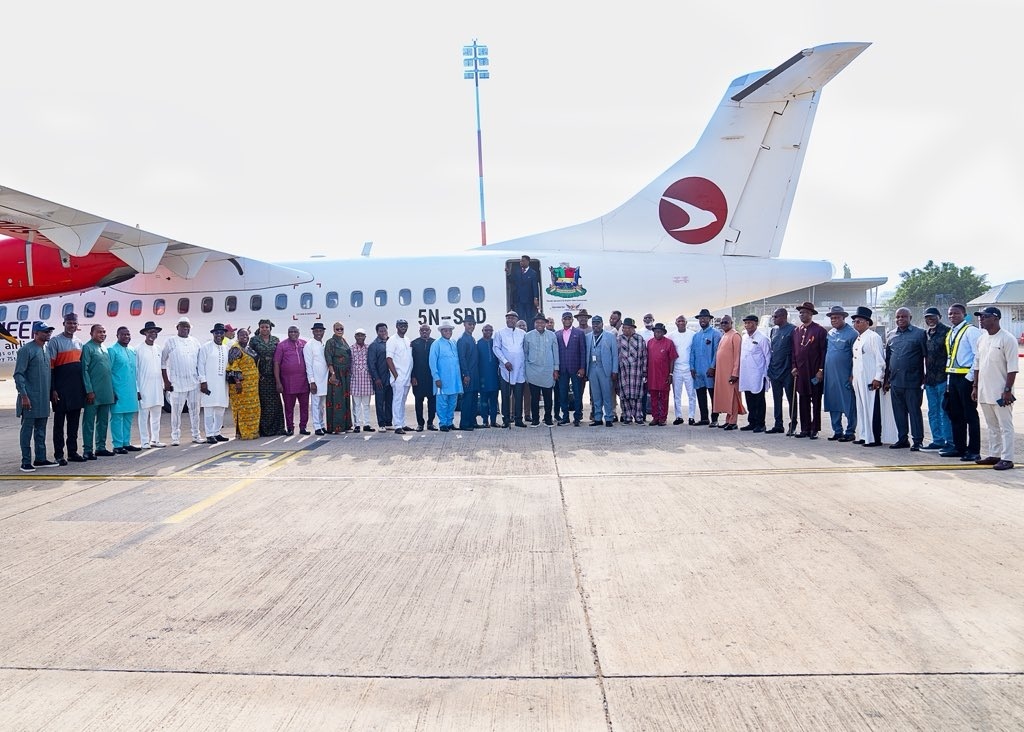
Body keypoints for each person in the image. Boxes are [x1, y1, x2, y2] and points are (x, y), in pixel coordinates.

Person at [971, 307, 1017, 470]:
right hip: (984, 390)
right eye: (980, 317)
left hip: (1001, 392)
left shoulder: (1007, 338)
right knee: (992, 426)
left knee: (1005, 426)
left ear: (995, 318)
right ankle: (994, 454)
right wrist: (975, 386)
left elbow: (1012, 368)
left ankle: (1007, 458)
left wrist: (1007, 390)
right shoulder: (981, 339)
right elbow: (977, 364)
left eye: (984, 317)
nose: (980, 319)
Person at [940, 303, 982, 461]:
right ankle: (959, 447)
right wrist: (950, 383)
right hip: (953, 377)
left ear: (964, 315)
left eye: (956, 313)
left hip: (965, 378)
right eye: (950, 314)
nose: (952, 316)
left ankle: (974, 450)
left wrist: (969, 379)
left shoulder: (971, 331)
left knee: (970, 415)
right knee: (955, 414)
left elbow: (977, 357)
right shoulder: (951, 331)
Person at [850, 307, 896, 447]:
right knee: (861, 407)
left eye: (859, 321)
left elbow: (880, 360)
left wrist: (878, 378)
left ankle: (875, 438)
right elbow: (855, 359)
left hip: (871, 379)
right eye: (855, 321)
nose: (856, 324)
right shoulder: (858, 338)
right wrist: (853, 375)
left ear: (867, 323)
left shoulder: (873, 337)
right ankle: (864, 435)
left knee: (872, 408)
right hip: (859, 379)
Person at [15, 321, 57, 472]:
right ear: (36, 333)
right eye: (45, 331)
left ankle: (40, 459)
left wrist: (52, 391)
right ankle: (25, 461)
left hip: (43, 399)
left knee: (41, 430)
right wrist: (23, 396)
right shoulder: (26, 350)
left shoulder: (46, 349)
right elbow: (19, 374)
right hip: (30, 398)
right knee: (27, 430)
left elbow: (48, 374)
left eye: (49, 331)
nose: (48, 334)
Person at [884, 307, 927, 451]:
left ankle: (917, 441)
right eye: (898, 317)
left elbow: (926, 357)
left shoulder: (920, 334)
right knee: (899, 412)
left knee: (914, 411)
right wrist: (887, 380)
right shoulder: (890, 335)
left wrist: (925, 377)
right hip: (896, 381)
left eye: (904, 316)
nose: (900, 319)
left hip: (913, 381)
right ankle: (902, 439)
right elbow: (888, 358)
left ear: (910, 318)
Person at [47, 312, 87, 465]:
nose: (72, 326)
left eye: (75, 323)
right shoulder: (55, 342)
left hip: (76, 389)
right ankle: (59, 454)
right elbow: (51, 368)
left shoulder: (79, 342)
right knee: (59, 425)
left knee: (73, 423)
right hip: (61, 389)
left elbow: (80, 367)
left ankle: (72, 452)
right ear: (64, 323)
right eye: (69, 323)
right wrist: (53, 389)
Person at [791, 302, 827, 439]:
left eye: (805, 312)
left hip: (814, 372)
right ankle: (804, 428)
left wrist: (821, 370)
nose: (802, 315)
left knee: (816, 401)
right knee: (803, 400)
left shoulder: (819, 330)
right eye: (800, 312)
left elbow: (824, 352)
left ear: (811, 314)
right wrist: (793, 366)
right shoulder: (796, 331)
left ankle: (814, 429)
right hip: (801, 372)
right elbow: (793, 351)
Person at [823, 306, 858, 441]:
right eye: (832, 318)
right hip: (830, 375)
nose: (834, 320)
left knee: (848, 403)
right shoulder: (830, 333)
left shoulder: (852, 334)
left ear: (844, 318)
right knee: (833, 403)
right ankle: (837, 431)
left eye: (837, 317)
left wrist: (852, 374)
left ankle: (850, 432)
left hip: (845, 375)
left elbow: (856, 356)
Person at [921, 306, 952, 451]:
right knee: (932, 412)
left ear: (939, 316)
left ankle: (949, 442)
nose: (930, 319)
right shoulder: (926, 334)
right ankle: (937, 440)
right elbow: (925, 356)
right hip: (930, 380)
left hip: (943, 378)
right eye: (927, 317)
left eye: (933, 316)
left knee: (944, 411)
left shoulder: (948, 332)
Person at [82, 324, 115, 458]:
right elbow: (84, 370)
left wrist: (112, 390)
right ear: (92, 333)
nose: (102, 334)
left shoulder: (104, 348)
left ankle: (101, 447)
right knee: (89, 422)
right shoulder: (88, 347)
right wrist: (89, 390)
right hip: (93, 392)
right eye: (99, 332)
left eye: (104, 332)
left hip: (106, 391)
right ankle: (87, 450)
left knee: (103, 421)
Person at [249, 319, 285, 437]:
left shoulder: (275, 340)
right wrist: (257, 374)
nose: (264, 329)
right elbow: (250, 358)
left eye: (267, 327)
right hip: (261, 376)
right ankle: (264, 430)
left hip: (274, 375)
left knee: (276, 403)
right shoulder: (254, 340)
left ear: (270, 328)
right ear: (259, 328)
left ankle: (278, 429)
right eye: (262, 327)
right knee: (263, 403)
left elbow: (279, 357)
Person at [108, 326, 141, 453]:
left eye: (128, 334)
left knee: (128, 416)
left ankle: (126, 442)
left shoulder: (132, 350)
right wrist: (111, 390)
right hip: (117, 389)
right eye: (123, 334)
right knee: (117, 417)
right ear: (117, 335)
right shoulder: (112, 350)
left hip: (130, 389)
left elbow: (135, 372)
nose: (126, 337)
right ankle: (117, 445)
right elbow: (108, 371)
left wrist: (137, 390)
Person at [524, 313, 559, 427]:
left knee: (548, 397)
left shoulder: (552, 335)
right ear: (534, 323)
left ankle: (548, 418)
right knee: (534, 397)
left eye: (542, 322)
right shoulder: (528, 336)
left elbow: (555, 352)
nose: (540, 324)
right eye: (537, 322)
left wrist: (556, 369)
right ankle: (535, 419)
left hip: (547, 370)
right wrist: (525, 370)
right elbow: (525, 353)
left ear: (545, 324)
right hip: (533, 370)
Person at [199, 323, 232, 444]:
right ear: (213, 334)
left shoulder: (226, 348)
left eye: (221, 333)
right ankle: (209, 434)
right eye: (217, 333)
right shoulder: (206, 347)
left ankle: (217, 432)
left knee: (220, 409)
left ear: (224, 334)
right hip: (209, 383)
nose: (219, 335)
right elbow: (200, 365)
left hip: (222, 384)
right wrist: (203, 381)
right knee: (209, 409)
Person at [493, 310, 527, 428]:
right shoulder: (499, 333)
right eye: (509, 318)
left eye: (513, 318)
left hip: (519, 370)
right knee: (505, 396)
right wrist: (505, 361)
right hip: (505, 369)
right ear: (506, 319)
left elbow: (525, 349)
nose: (511, 320)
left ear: (516, 320)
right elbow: (496, 348)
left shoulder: (522, 333)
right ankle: (506, 419)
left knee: (518, 396)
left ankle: (518, 419)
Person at [274, 325, 310, 436]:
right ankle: (290, 428)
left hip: (303, 382)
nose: (293, 334)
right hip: (288, 382)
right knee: (289, 407)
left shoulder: (304, 344)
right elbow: (276, 364)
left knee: (304, 406)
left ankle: (303, 427)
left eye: (295, 332)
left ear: (299, 333)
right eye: (291, 332)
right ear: (288, 333)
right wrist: (278, 382)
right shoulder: (282, 345)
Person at [136, 321, 166, 448]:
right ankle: (144, 441)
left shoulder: (159, 348)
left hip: (157, 387)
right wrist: (137, 389)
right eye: (150, 332)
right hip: (144, 387)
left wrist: (164, 385)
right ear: (145, 333)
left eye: (155, 332)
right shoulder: (138, 349)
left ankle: (155, 439)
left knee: (156, 415)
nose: (152, 334)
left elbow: (163, 367)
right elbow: (136, 370)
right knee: (143, 415)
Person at [429, 318, 463, 431]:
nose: (448, 332)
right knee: (442, 403)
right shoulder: (436, 344)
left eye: (449, 330)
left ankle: (449, 422)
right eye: (445, 331)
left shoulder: (454, 343)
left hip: (454, 380)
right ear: (441, 331)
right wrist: (436, 378)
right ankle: (443, 423)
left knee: (453, 403)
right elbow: (432, 363)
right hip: (442, 380)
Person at [739, 314, 771, 432]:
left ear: (756, 324)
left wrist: (767, 374)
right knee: (749, 398)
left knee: (759, 399)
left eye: (750, 323)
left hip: (758, 374)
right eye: (746, 323)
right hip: (747, 373)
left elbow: (768, 357)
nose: (748, 325)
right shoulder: (744, 337)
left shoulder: (762, 338)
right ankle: (751, 422)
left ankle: (760, 423)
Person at [766, 308, 796, 435]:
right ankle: (778, 424)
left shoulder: (793, 330)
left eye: (776, 316)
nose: (774, 318)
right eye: (773, 316)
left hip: (788, 370)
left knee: (791, 399)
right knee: (777, 398)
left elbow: (795, 351)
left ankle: (793, 424)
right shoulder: (774, 330)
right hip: (775, 370)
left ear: (784, 317)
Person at [227, 328, 261, 440]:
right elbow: (232, 366)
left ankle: (252, 432)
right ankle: (241, 433)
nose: (244, 337)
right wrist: (237, 382)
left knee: (253, 409)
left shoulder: (248, 348)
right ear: (238, 336)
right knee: (241, 409)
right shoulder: (235, 349)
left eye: (246, 335)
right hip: (241, 386)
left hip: (252, 387)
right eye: (242, 335)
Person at [712, 315, 744, 430]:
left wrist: (735, 373)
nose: (724, 324)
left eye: (726, 322)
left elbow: (737, 356)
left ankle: (733, 422)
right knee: (726, 397)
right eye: (722, 323)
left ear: (731, 323)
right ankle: (728, 420)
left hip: (731, 373)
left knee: (733, 397)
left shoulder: (735, 336)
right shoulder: (725, 335)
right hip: (722, 372)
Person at [586, 315, 619, 426]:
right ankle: (598, 418)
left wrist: (614, 370)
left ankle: (609, 417)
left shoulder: (610, 337)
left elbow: (615, 355)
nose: (596, 325)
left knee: (607, 394)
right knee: (596, 395)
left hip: (605, 369)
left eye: (598, 323)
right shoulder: (588, 337)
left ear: (602, 324)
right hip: (592, 368)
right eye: (594, 323)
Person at [555, 311, 587, 426]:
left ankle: (577, 417)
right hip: (562, 369)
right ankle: (565, 417)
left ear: (572, 320)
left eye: (569, 318)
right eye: (565, 319)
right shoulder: (557, 334)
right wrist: (556, 369)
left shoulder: (579, 333)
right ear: (562, 320)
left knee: (577, 394)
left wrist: (582, 368)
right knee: (562, 394)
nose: (567, 320)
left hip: (576, 368)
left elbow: (583, 351)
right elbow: (555, 353)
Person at [690, 308, 721, 426]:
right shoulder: (696, 336)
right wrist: (692, 367)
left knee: (713, 395)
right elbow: (692, 352)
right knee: (700, 395)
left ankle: (714, 419)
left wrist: (713, 367)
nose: (702, 320)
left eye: (705, 318)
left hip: (709, 370)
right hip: (698, 371)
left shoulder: (715, 334)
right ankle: (704, 418)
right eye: (700, 318)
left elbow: (717, 352)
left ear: (709, 319)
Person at [617, 317, 648, 424]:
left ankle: (638, 417)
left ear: (632, 328)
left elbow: (644, 356)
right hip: (623, 372)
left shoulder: (640, 339)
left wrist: (644, 371)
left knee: (637, 396)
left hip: (637, 372)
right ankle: (627, 417)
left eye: (627, 328)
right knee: (625, 395)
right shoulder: (619, 339)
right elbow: (616, 355)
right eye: (624, 328)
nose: (625, 330)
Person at [323, 322, 352, 434]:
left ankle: (346, 425)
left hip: (345, 374)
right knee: (337, 400)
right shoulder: (330, 342)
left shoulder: (344, 341)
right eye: (337, 329)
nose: (339, 330)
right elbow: (328, 358)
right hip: (337, 372)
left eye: (341, 328)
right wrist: (333, 374)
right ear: (333, 330)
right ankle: (336, 427)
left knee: (345, 399)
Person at [646, 322, 677, 426]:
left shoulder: (669, 343)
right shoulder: (649, 343)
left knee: (664, 397)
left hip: (664, 374)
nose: (657, 333)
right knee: (653, 397)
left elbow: (672, 359)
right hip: (652, 374)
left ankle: (663, 418)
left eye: (660, 332)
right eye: (656, 331)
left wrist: (671, 374)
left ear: (663, 333)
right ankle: (655, 417)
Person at [386, 318, 414, 435]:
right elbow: (389, 359)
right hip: (398, 377)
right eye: (401, 325)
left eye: (405, 325)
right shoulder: (392, 340)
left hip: (407, 376)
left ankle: (402, 423)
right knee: (397, 400)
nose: (403, 327)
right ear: (396, 326)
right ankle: (397, 425)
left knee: (403, 401)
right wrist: (396, 376)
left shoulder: (407, 340)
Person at [669, 315, 696, 425]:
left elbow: (694, 352)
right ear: (676, 323)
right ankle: (678, 416)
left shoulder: (692, 335)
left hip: (689, 369)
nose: (681, 323)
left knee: (691, 395)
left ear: (686, 322)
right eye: (679, 321)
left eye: (683, 321)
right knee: (677, 395)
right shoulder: (671, 336)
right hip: (676, 370)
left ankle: (691, 416)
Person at [410, 324, 437, 431]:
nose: (424, 332)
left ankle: (430, 423)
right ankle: (420, 424)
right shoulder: (414, 343)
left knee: (432, 402)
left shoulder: (435, 343)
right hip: (418, 378)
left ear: (430, 331)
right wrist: (413, 376)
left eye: (426, 330)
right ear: (419, 331)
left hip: (431, 378)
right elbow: (411, 362)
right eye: (422, 330)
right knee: (418, 402)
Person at [304, 323, 330, 436]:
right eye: (317, 331)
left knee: (322, 405)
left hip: (325, 379)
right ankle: (317, 426)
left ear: (323, 332)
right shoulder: (309, 345)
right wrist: (312, 381)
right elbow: (308, 365)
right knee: (315, 404)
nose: (319, 333)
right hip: (315, 380)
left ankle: (322, 424)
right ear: (313, 332)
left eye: (321, 331)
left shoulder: (323, 343)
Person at [367, 322, 393, 431]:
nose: (383, 333)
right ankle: (381, 423)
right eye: (381, 331)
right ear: (377, 332)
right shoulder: (374, 345)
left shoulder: (391, 342)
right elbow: (371, 364)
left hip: (390, 378)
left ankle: (388, 422)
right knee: (380, 402)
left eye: (385, 330)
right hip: (380, 378)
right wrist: (376, 378)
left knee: (389, 401)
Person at [457, 314, 481, 430]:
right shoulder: (462, 340)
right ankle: (465, 424)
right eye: (469, 324)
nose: (471, 326)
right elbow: (462, 358)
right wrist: (465, 374)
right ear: (464, 325)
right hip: (468, 374)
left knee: (474, 399)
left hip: (475, 374)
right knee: (467, 400)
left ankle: (473, 421)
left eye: (473, 324)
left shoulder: (471, 338)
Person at [350, 327, 375, 433]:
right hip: (355, 380)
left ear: (365, 337)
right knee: (356, 405)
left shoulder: (368, 348)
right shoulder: (350, 349)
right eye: (358, 335)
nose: (360, 337)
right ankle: (357, 425)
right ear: (355, 337)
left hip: (366, 380)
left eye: (362, 335)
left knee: (366, 404)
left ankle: (367, 424)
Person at [477, 324, 501, 427]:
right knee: (483, 401)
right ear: (482, 331)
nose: (488, 332)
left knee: (494, 400)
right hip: (483, 377)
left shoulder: (495, 343)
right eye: (486, 330)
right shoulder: (478, 344)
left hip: (494, 376)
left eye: (490, 330)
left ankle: (494, 421)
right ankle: (485, 421)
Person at [509, 255, 540, 325]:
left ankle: (529, 329)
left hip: (529, 299)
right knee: (520, 316)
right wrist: (508, 273)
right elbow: (512, 280)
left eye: (523, 261)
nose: (521, 262)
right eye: (520, 261)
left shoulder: (533, 273)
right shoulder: (517, 272)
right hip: (519, 299)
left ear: (528, 262)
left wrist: (536, 298)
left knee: (529, 316)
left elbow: (535, 286)